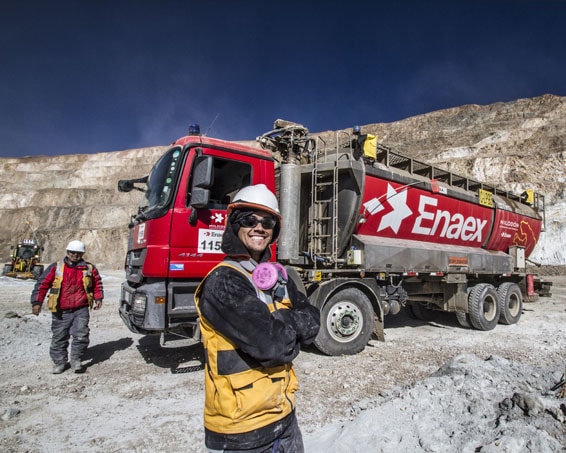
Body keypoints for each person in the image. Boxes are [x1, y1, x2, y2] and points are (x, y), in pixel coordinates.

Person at [195, 184, 320, 453]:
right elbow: (274, 346)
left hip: (284, 415)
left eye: (268, 222)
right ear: (234, 224)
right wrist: (290, 326)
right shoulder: (224, 282)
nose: (259, 228)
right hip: (243, 430)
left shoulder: (277, 277)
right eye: (249, 220)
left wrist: (281, 323)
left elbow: (313, 322)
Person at [31, 240, 103, 374]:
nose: (75, 255)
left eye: (78, 253)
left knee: (81, 336)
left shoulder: (89, 268)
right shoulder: (56, 267)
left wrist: (98, 298)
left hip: (81, 309)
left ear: (82, 254)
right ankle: (60, 363)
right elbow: (42, 284)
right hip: (60, 310)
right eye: (72, 252)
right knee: (59, 337)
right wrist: (37, 302)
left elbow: (97, 283)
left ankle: (76, 360)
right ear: (67, 252)